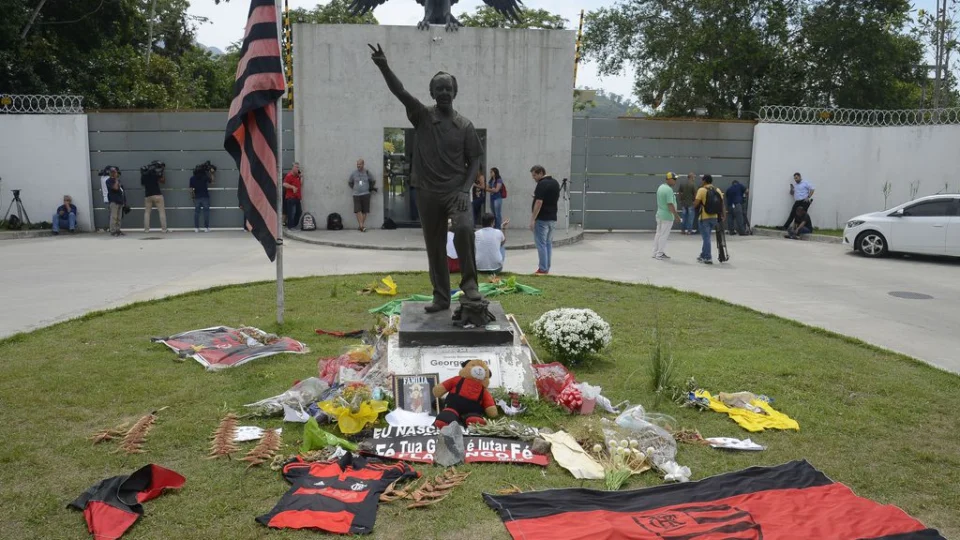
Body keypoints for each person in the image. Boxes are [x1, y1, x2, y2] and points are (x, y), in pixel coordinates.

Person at [369, 43, 484, 313]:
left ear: (455, 92)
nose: (444, 93)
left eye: (448, 89)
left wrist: (464, 190)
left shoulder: (465, 126)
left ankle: (469, 284)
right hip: (427, 192)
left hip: (455, 192)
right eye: (439, 89)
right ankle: (441, 297)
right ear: (432, 93)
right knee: (434, 246)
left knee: (464, 229)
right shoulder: (421, 116)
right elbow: (400, 92)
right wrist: (384, 66)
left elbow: (475, 160)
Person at [530, 165, 560, 275]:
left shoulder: (541, 184)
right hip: (552, 217)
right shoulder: (555, 183)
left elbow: (539, 202)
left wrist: (533, 219)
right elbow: (551, 198)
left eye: (534, 175)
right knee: (548, 244)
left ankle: (542, 269)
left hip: (542, 218)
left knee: (541, 244)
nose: (533, 178)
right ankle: (546, 267)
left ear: (541, 173)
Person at [694, 174, 724, 264]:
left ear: (704, 181)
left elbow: (696, 203)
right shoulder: (717, 190)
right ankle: (703, 255)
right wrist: (723, 214)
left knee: (706, 238)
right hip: (714, 217)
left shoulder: (702, 190)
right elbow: (722, 203)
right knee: (707, 238)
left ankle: (708, 257)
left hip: (704, 218)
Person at [653, 172, 682, 260]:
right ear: (669, 179)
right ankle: (659, 254)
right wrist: (677, 216)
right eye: (674, 179)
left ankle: (655, 252)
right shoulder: (669, 190)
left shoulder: (661, 187)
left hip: (660, 215)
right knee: (664, 235)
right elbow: (670, 205)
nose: (675, 181)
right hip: (667, 216)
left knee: (658, 234)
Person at [348, 159, 376, 232]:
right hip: (356, 194)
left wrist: (368, 188)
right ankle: (361, 226)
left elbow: (373, 181)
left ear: (363, 164)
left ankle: (361, 226)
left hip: (366, 194)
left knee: (364, 211)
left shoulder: (367, 172)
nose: (358, 166)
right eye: (357, 164)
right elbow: (350, 182)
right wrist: (355, 188)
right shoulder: (353, 173)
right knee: (358, 210)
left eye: (360, 164)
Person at [142, 162, 167, 233]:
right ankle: (164, 229)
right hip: (157, 194)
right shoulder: (155, 173)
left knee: (147, 213)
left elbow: (143, 183)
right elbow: (163, 181)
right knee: (161, 212)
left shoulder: (144, 174)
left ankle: (146, 229)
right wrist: (162, 172)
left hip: (148, 195)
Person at [190, 164, 214, 233]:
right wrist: (212, 173)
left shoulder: (192, 178)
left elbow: (191, 189)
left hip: (197, 197)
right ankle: (206, 228)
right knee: (206, 212)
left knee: (196, 213)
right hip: (205, 197)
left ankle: (196, 228)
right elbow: (212, 181)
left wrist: (193, 197)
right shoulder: (204, 177)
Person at [283, 162, 303, 229]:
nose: (298, 168)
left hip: (297, 197)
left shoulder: (297, 176)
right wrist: (292, 187)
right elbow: (284, 184)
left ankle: (293, 225)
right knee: (291, 213)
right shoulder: (289, 175)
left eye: (298, 167)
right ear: (292, 168)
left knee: (299, 212)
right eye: (296, 167)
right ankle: (290, 227)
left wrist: (301, 177)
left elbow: (300, 184)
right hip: (291, 198)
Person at [106, 170, 126, 237]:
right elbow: (115, 188)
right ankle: (113, 231)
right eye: (115, 173)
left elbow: (121, 190)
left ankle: (118, 230)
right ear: (112, 173)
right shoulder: (108, 181)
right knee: (114, 217)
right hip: (114, 201)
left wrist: (123, 201)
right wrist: (116, 180)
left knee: (119, 217)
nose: (117, 174)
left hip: (120, 201)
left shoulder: (118, 180)